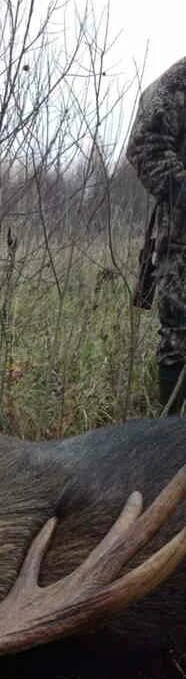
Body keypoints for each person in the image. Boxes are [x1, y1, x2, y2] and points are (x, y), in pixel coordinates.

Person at [126, 56, 186, 413]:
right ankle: (171, 445)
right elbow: (145, 145)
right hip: (182, 244)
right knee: (179, 341)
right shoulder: (179, 82)